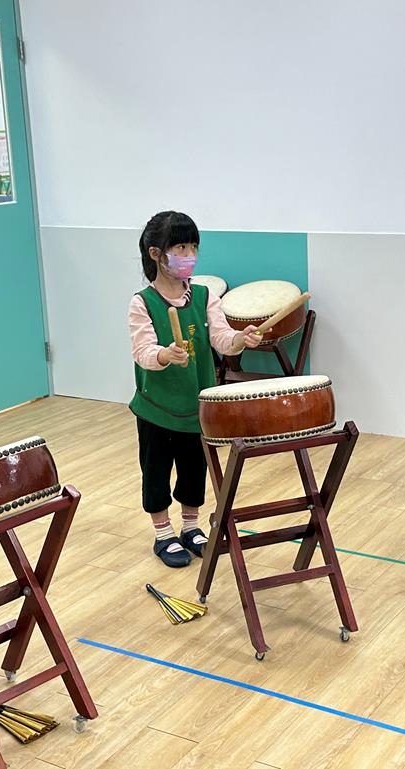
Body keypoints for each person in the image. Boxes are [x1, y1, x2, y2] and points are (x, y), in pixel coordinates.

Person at [128, 211, 261, 566]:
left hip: (196, 404)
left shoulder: (204, 296)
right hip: (156, 407)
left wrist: (240, 339)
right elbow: (142, 352)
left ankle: (190, 527)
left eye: (193, 247)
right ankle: (163, 534)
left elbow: (222, 338)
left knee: (193, 469)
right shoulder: (142, 302)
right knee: (156, 472)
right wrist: (165, 355)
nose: (189, 255)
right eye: (181, 248)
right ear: (156, 254)